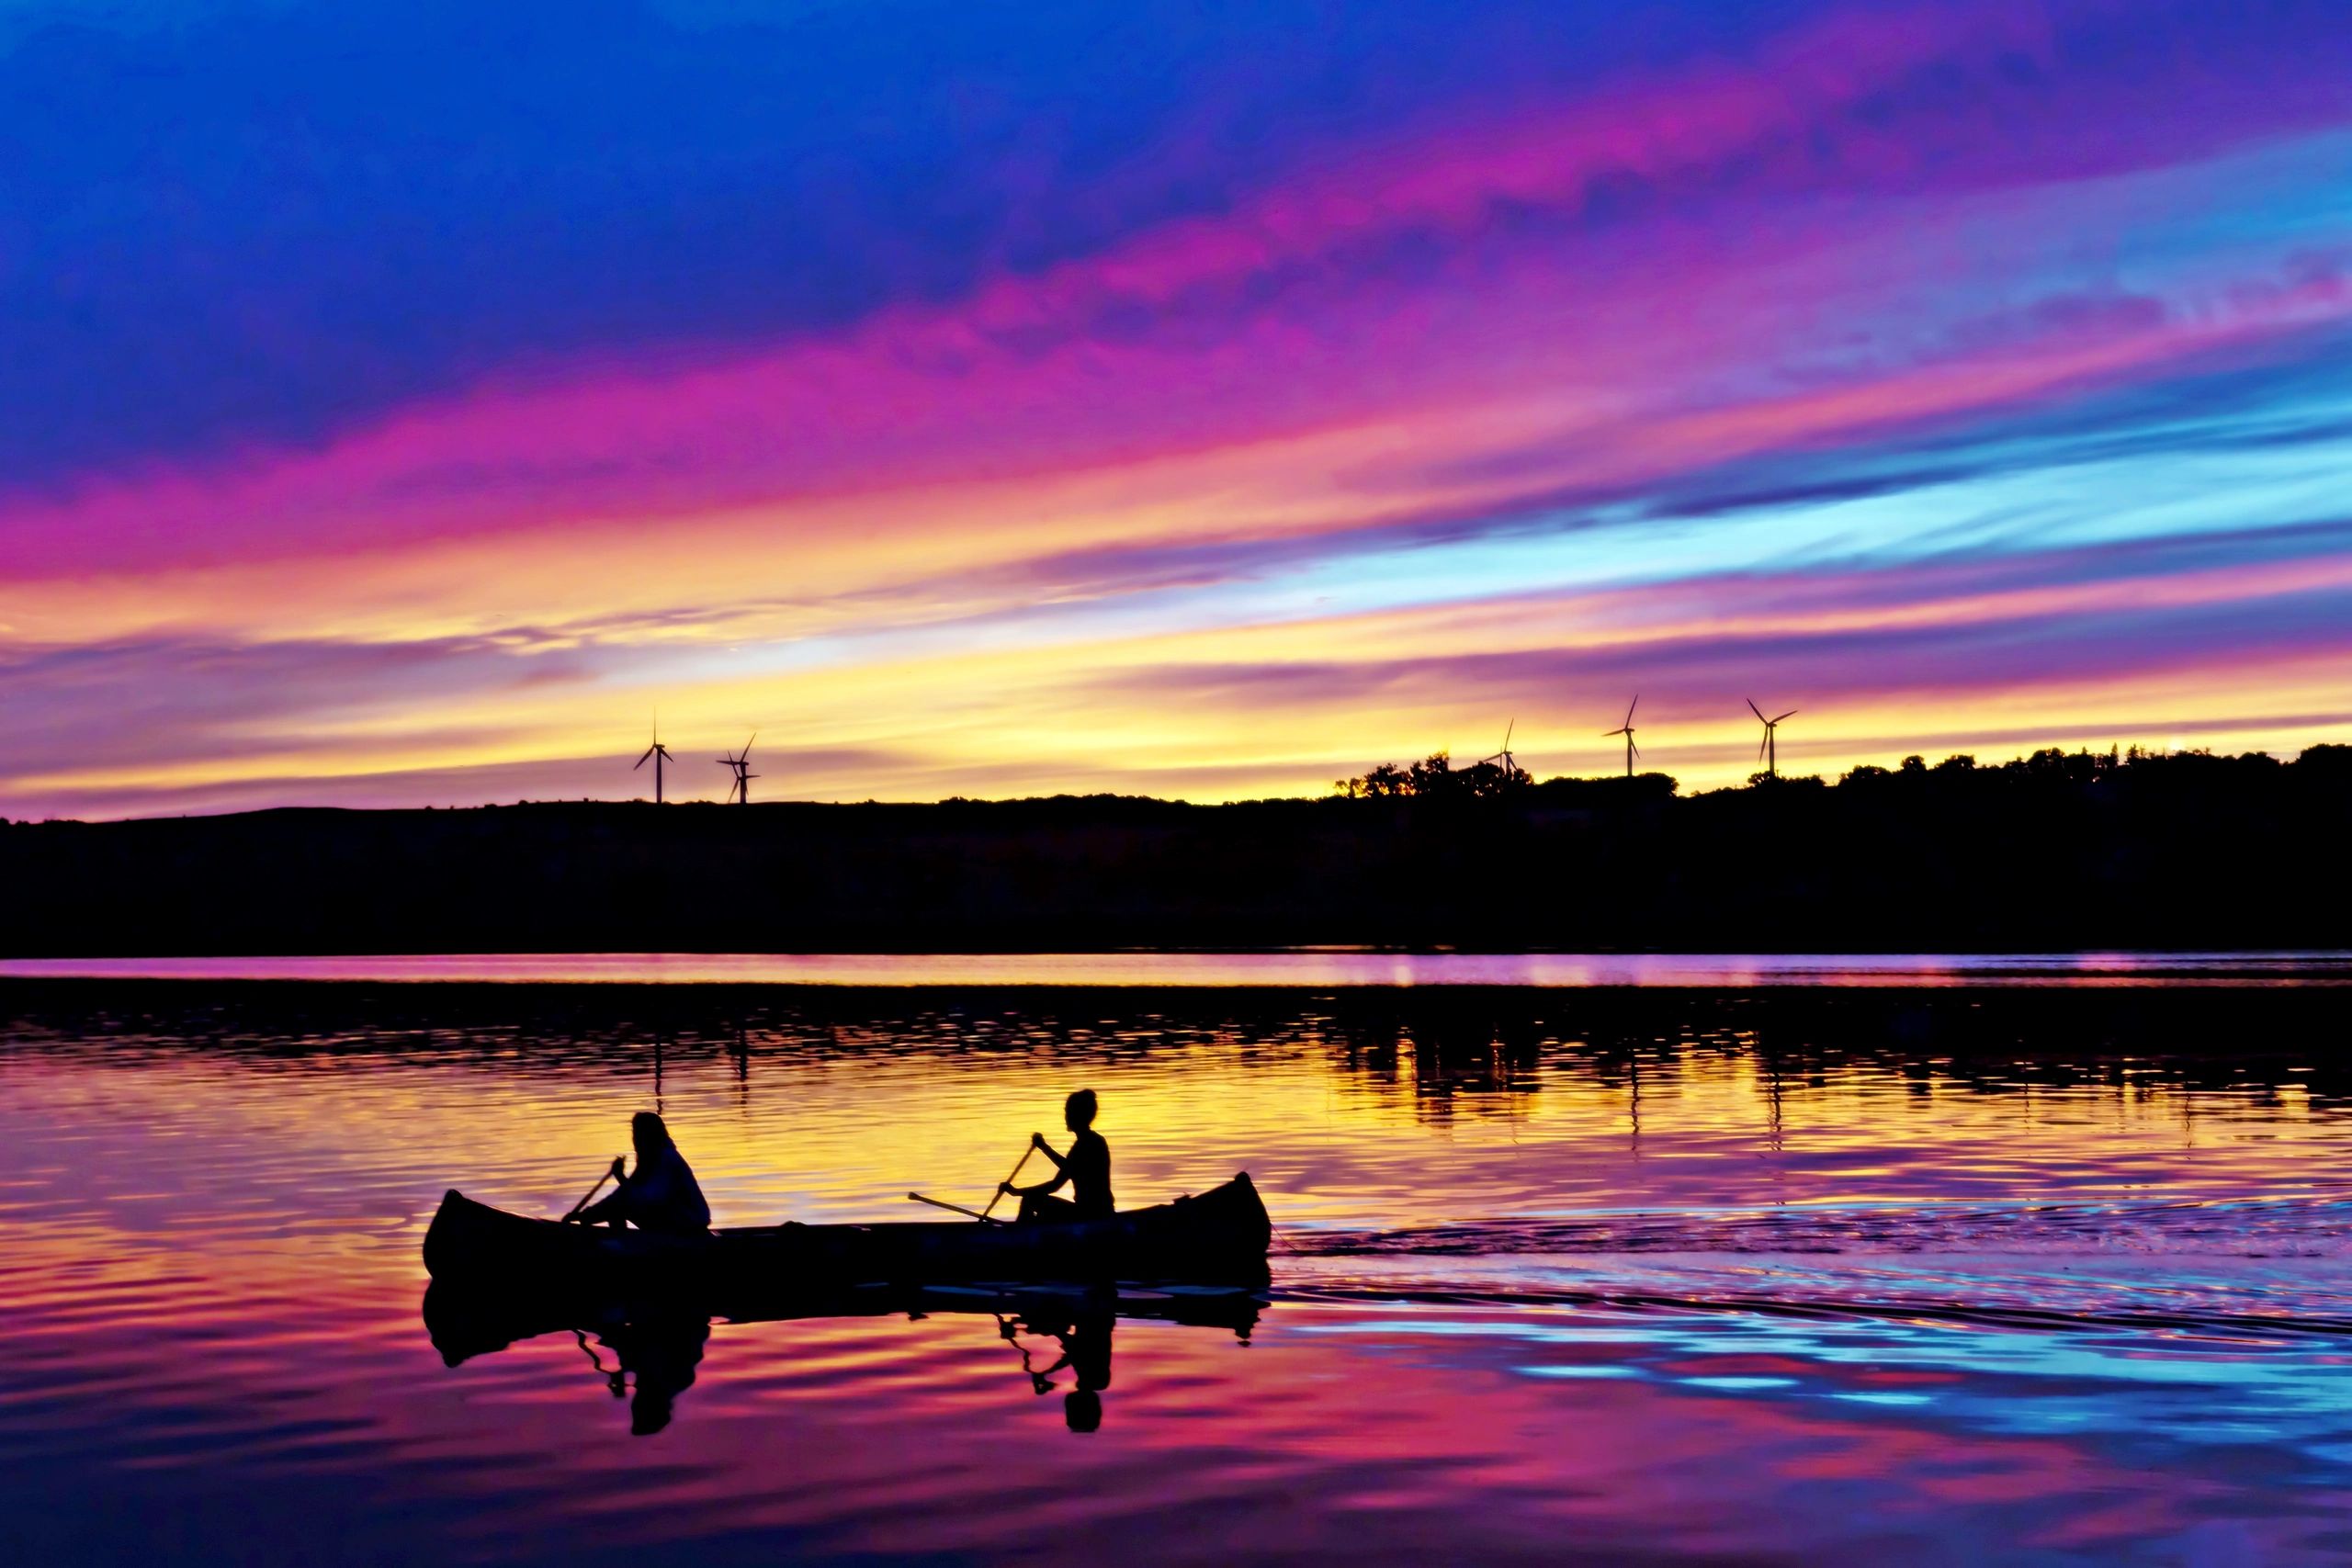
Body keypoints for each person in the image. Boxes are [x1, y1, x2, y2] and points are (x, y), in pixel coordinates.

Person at [573, 1111, 711, 1236]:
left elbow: (645, 1198)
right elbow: (628, 1193)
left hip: (689, 1223)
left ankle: (623, 1245)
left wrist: (589, 1216)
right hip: (674, 1218)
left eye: (637, 1134)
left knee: (618, 1207)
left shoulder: (665, 1159)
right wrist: (587, 1215)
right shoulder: (650, 1159)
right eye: (634, 1134)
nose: (635, 1140)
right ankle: (621, 1241)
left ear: (650, 1136)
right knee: (616, 1206)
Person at [1002, 1089, 1114, 1224]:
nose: (1065, 1117)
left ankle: (1018, 1237)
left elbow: (1055, 1185)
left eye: (1068, 1112)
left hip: (1091, 1215)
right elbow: (1068, 1169)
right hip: (1090, 1212)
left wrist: (1017, 1192)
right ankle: (1025, 1233)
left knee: (1030, 1199)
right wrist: (1043, 1147)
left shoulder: (1088, 1144)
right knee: (1041, 1213)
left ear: (1078, 1115)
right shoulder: (1089, 1142)